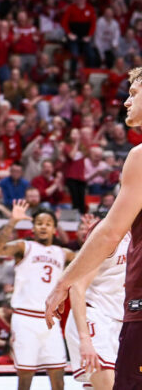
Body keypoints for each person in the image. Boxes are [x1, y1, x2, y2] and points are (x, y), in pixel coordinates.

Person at [45, 65, 142, 389]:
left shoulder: (140, 157)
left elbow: (111, 232)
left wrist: (64, 281)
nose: (126, 103)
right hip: (106, 317)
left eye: (133, 94)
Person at [0, 200, 74, 389]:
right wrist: (13, 221)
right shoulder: (24, 247)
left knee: (58, 376)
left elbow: (88, 260)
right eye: (39, 223)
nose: (43, 227)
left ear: (55, 229)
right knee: (26, 376)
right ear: (33, 228)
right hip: (25, 319)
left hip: (51, 320)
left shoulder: (63, 253)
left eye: (48, 224)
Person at [64, 224, 129, 390]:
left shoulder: (136, 240)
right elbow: (77, 286)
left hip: (120, 322)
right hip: (94, 316)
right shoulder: (109, 235)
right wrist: (85, 339)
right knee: (110, 386)